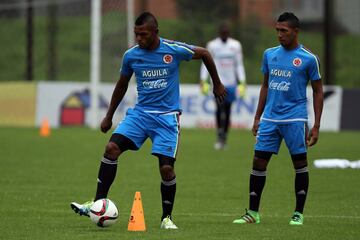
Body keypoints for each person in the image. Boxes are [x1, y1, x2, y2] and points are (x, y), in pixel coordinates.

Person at [70, 12, 226, 229]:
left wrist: (217, 83)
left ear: (155, 33)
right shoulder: (131, 55)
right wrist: (108, 116)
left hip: (167, 118)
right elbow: (122, 84)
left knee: (166, 170)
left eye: (143, 34)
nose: (139, 39)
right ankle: (96, 203)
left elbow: (206, 54)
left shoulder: (173, 50)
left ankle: (166, 218)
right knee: (111, 148)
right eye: (136, 34)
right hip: (141, 115)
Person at [233, 12, 323, 225]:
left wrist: (316, 125)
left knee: (299, 163)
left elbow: (318, 91)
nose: (280, 35)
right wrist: (257, 117)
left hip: (295, 119)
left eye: (284, 31)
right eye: (277, 30)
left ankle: (298, 214)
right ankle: (253, 214)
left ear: (295, 31)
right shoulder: (269, 54)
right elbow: (265, 85)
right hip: (270, 119)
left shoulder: (309, 59)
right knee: (258, 161)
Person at [200, 23, 246, 150]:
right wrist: (203, 80)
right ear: (220, 33)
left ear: (229, 34)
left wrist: (242, 81)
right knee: (219, 109)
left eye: (227, 33)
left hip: (231, 84)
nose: (225, 35)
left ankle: (224, 136)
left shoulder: (235, 45)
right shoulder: (212, 45)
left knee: (228, 111)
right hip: (218, 83)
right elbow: (205, 64)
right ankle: (219, 135)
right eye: (223, 33)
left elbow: (239, 65)